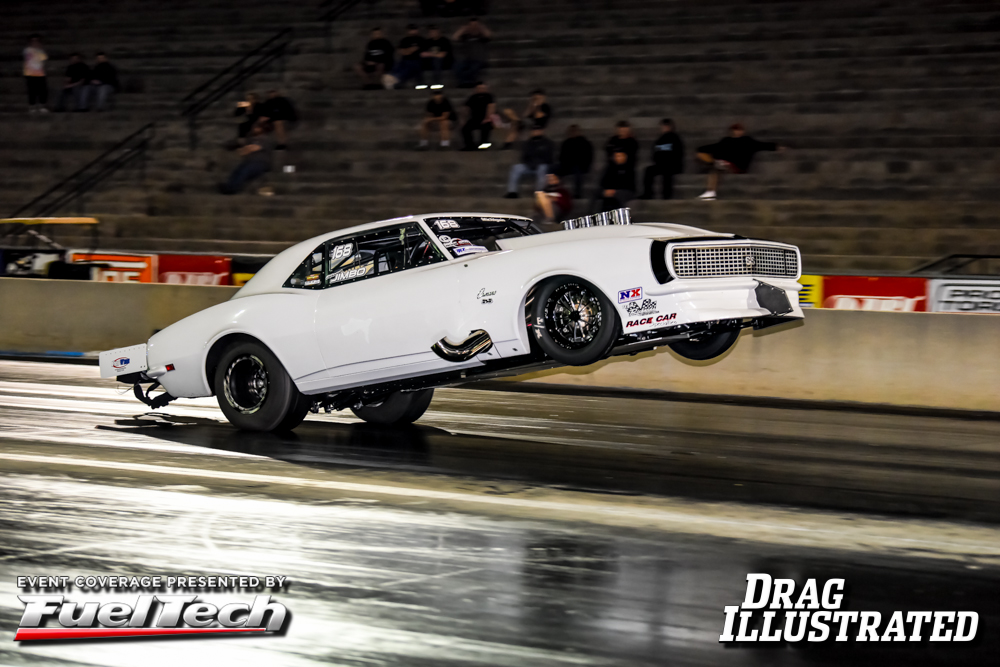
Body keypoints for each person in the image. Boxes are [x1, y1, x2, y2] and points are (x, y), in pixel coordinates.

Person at [696, 123, 786, 200]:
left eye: (740, 130)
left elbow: (761, 145)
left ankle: (711, 190)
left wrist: (776, 147)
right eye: (736, 130)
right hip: (723, 163)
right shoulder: (726, 141)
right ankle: (713, 176)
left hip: (738, 166)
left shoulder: (747, 141)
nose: (738, 132)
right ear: (732, 131)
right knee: (703, 156)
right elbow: (714, 147)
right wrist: (700, 150)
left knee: (717, 169)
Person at [220, 121, 275, 194]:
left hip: (261, 163)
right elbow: (243, 148)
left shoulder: (265, 139)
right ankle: (228, 186)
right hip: (249, 162)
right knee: (237, 171)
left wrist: (244, 149)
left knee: (245, 171)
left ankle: (232, 189)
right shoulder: (251, 139)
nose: (253, 128)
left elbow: (253, 148)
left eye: (257, 127)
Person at [641, 118, 685, 199]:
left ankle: (666, 196)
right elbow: (654, 152)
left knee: (667, 172)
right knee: (648, 170)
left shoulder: (675, 138)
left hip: (672, 165)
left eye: (666, 126)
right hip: (661, 165)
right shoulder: (660, 139)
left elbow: (678, 154)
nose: (664, 128)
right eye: (663, 126)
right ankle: (648, 194)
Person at [504, 128, 555, 197]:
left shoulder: (548, 143)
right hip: (529, 165)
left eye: (538, 130)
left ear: (542, 131)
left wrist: (537, 162)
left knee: (542, 168)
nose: (536, 132)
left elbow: (549, 158)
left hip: (541, 165)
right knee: (516, 167)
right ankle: (512, 192)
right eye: (534, 131)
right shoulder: (528, 143)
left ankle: (539, 192)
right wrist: (529, 164)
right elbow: (524, 157)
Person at [557, 125, 594, 199]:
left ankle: (577, 193)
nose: (573, 133)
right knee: (553, 169)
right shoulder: (566, 143)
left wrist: (584, 165)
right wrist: (565, 164)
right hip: (567, 165)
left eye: (575, 131)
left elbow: (588, 156)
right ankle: (555, 191)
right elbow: (562, 156)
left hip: (581, 166)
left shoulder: (585, 143)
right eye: (571, 131)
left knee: (578, 172)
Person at [453, 17, 491, 88]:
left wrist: (482, 28)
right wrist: (463, 29)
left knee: (473, 68)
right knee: (457, 67)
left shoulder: (481, 36)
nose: (474, 27)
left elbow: (488, 35)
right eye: (472, 25)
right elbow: (455, 37)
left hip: (478, 59)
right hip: (467, 59)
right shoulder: (466, 36)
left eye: (475, 25)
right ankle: (462, 82)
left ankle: (469, 83)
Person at [387, 25, 425, 89]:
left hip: (416, 60)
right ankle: (394, 82)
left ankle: (398, 83)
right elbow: (401, 51)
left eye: (414, 30)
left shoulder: (421, 40)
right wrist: (410, 50)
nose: (413, 32)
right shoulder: (404, 40)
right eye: (411, 30)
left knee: (409, 68)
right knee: (396, 67)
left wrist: (407, 50)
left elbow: (420, 51)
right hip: (404, 60)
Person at [461, 81, 495, 150]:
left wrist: (487, 118)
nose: (481, 89)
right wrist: (464, 120)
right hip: (475, 118)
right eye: (479, 88)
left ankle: (483, 145)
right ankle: (470, 146)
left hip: (486, 118)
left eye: (483, 88)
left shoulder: (488, 96)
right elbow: (466, 108)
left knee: (486, 127)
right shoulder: (473, 97)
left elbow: (491, 107)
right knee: (465, 129)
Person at [23, 34, 48, 113]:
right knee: (32, 91)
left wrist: (40, 49)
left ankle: (42, 105)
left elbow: (43, 58)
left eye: (36, 40)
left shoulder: (40, 50)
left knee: (42, 90)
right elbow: (29, 57)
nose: (35, 42)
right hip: (30, 73)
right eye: (33, 41)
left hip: (40, 73)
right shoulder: (27, 50)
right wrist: (37, 50)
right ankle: (32, 106)